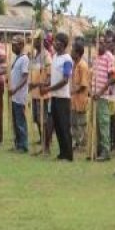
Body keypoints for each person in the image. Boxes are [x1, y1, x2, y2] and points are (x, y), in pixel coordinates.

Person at [39, 32, 73, 161]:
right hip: (54, 96)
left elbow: (65, 80)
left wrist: (48, 88)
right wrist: (46, 84)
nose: (55, 43)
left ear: (63, 44)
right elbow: (54, 77)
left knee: (64, 126)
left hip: (63, 98)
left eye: (58, 41)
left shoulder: (67, 59)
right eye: (55, 41)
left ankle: (68, 154)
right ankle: (62, 153)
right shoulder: (55, 57)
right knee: (57, 126)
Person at [90, 35, 115, 161]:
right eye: (98, 43)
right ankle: (97, 149)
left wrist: (100, 92)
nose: (100, 45)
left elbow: (112, 78)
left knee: (103, 123)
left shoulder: (109, 57)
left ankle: (106, 151)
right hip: (94, 95)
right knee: (95, 123)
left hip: (103, 96)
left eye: (102, 43)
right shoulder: (95, 57)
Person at [30, 32, 53, 155]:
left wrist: (40, 85)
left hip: (42, 94)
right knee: (37, 119)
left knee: (43, 120)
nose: (34, 42)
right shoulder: (35, 56)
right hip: (34, 94)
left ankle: (46, 146)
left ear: (42, 41)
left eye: (36, 40)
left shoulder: (46, 57)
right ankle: (42, 142)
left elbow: (49, 76)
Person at [8, 35, 29, 153]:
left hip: (19, 95)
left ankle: (23, 145)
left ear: (21, 45)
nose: (12, 47)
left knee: (20, 120)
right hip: (14, 95)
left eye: (15, 45)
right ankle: (18, 143)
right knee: (16, 121)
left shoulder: (24, 59)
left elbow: (25, 77)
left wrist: (15, 89)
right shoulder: (17, 58)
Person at [70, 41, 90, 151]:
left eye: (72, 50)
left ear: (77, 53)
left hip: (80, 99)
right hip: (73, 99)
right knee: (73, 122)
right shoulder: (74, 65)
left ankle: (82, 143)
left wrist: (73, 91)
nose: (71, 52)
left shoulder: (83, 66)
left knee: (81, 123)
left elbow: (84, 85)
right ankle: (76, 142)